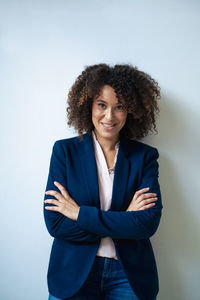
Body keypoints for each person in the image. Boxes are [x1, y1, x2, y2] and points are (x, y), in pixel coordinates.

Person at [43, 63, 163, 300]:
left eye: (119, 107)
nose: (109, 116)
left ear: (131, 111)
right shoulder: (64, 152)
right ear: (88, 105)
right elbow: (55, 223)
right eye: (101, 105)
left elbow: (146, 224)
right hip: (74, 274)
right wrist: (125, 218)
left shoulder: (145, 157)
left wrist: (78, 213)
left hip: (128, 276)